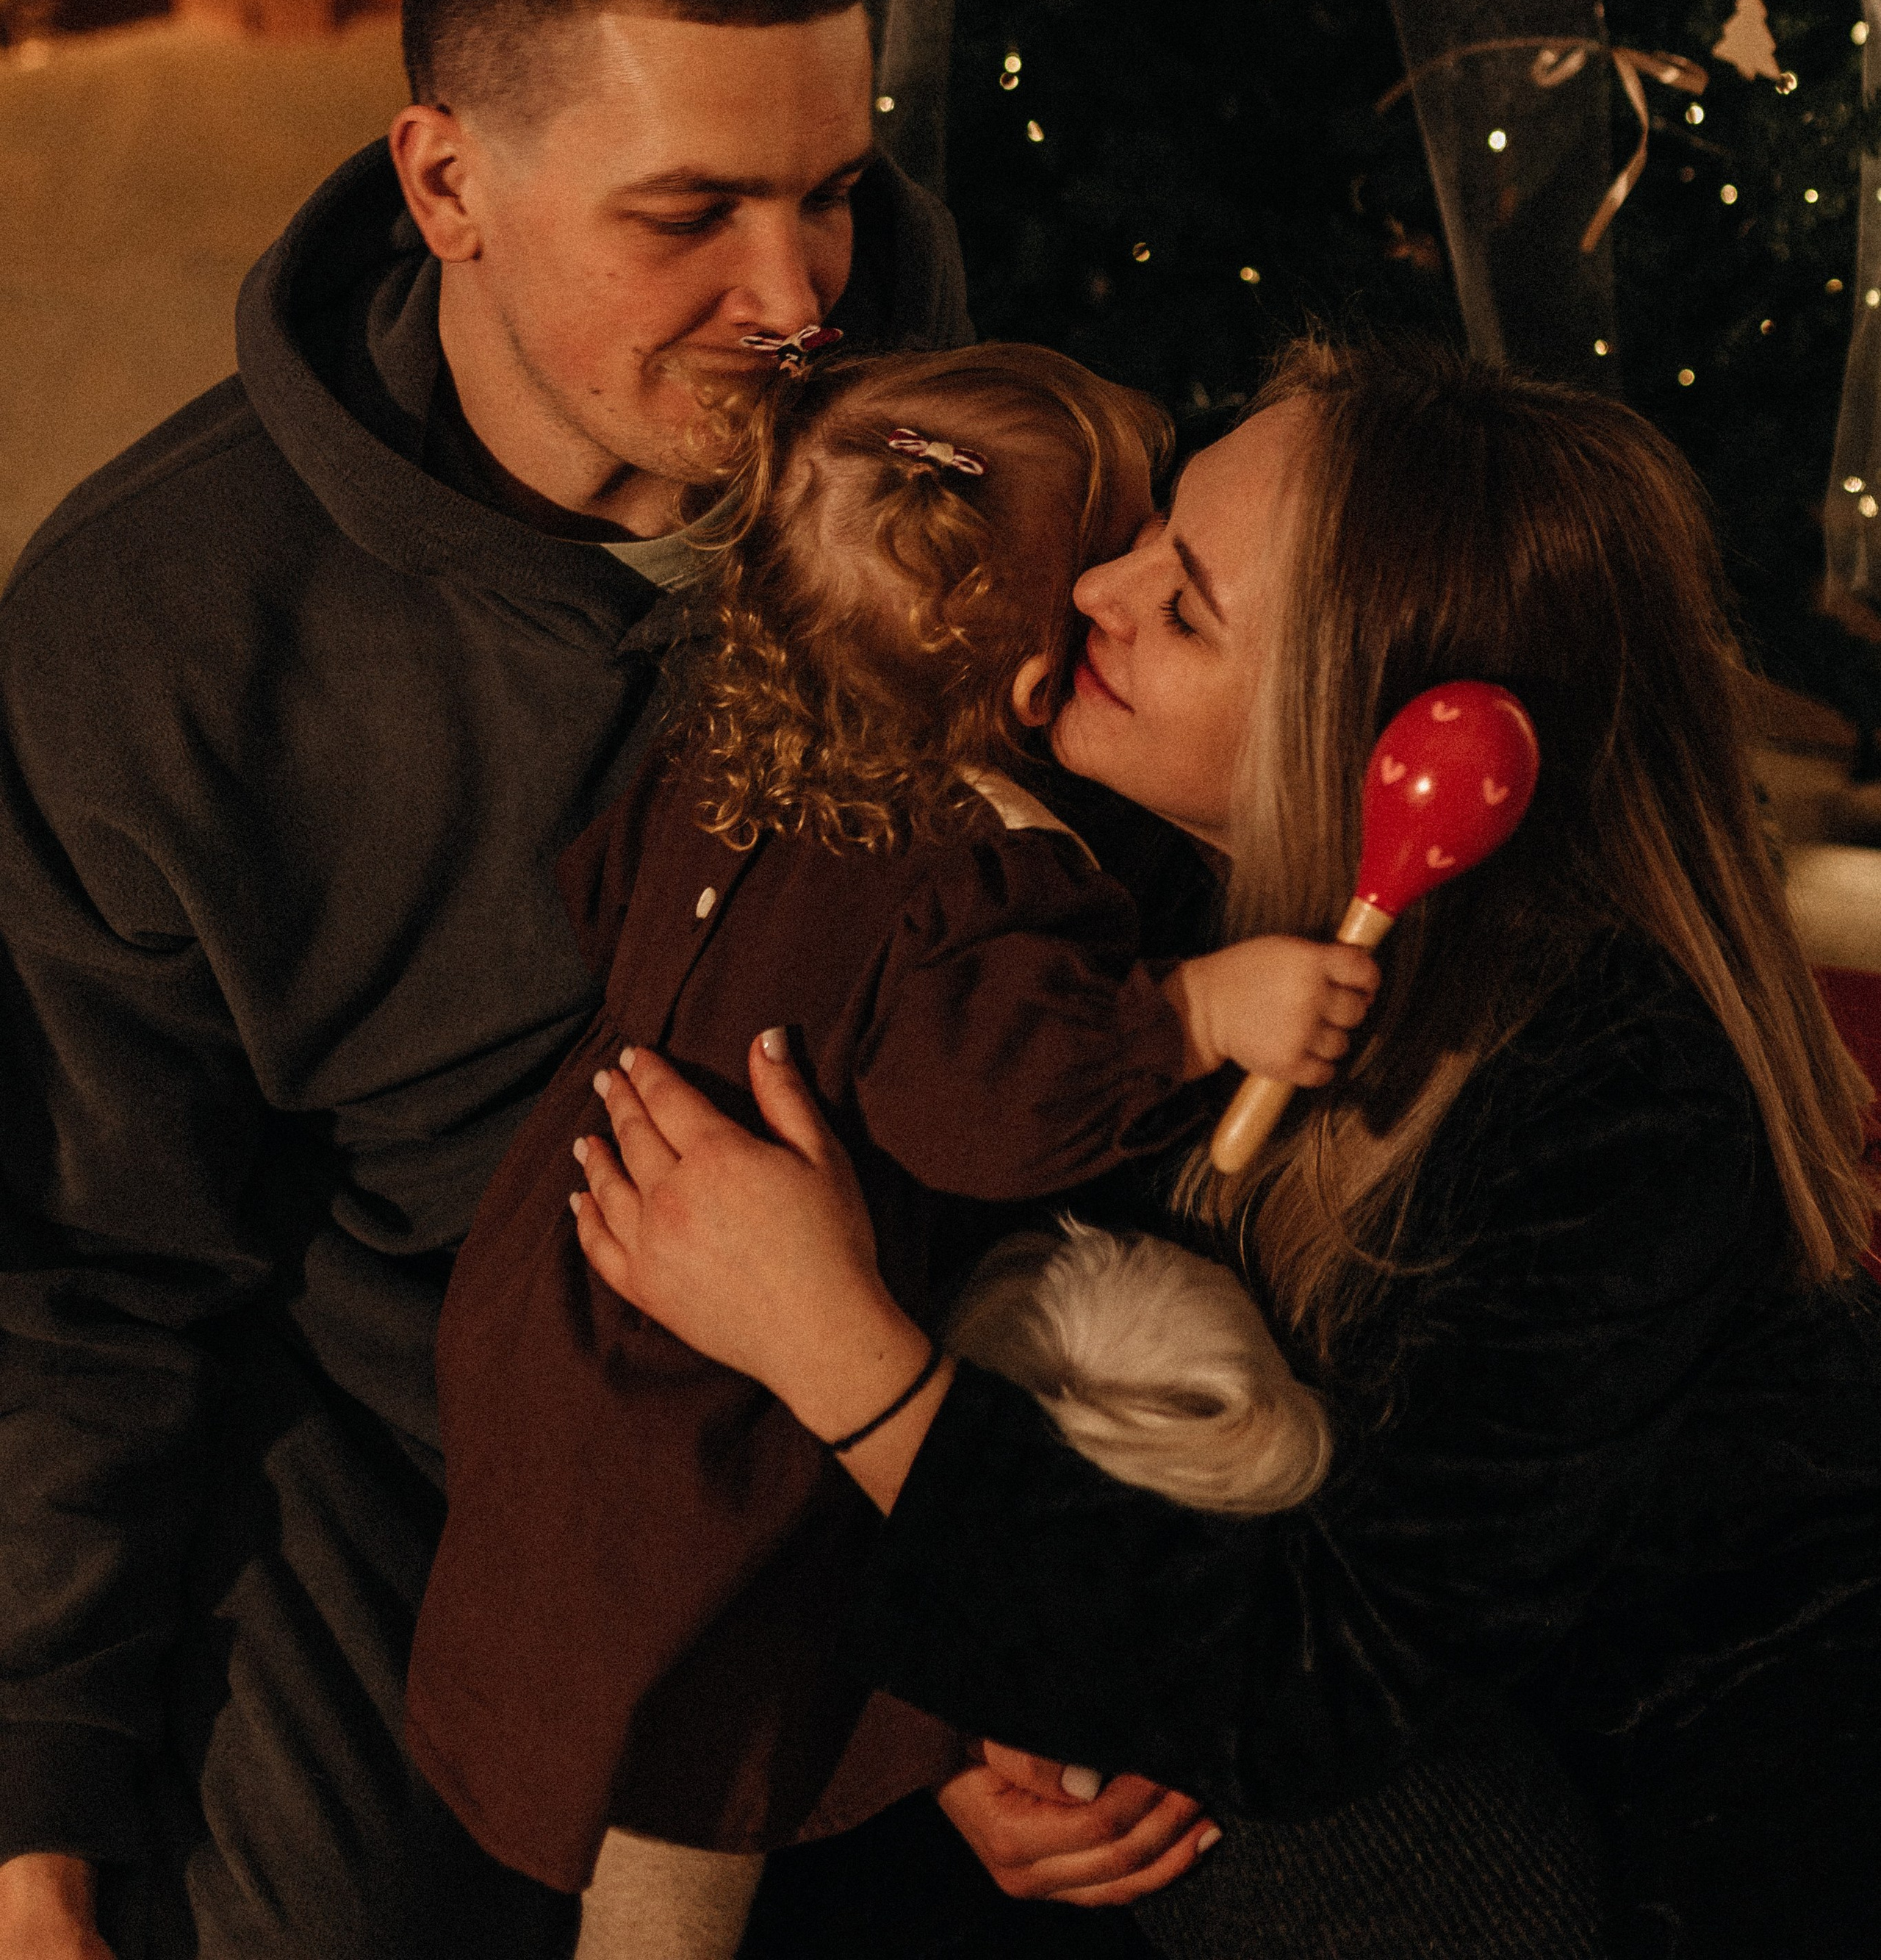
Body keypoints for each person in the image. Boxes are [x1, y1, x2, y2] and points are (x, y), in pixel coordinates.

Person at [566, 334, 1881, 1959]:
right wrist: (969, 1724)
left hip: (1627, 1849)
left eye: (1181, 606)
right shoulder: (1114, 894)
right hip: (1243, 1710)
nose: (1093, 590)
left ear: (1383, 741)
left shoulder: (1620, 1099)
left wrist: (836, 1352)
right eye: (1148, 536)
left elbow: (1327, 1688)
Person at [0, 0, 974, 1960]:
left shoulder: (968, 471)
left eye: (829, 192)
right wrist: (31, 1826)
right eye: (690, 214)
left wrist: (1042, 1579)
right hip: (399, 1425)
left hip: (901, 1372)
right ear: (445, 179)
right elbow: (90, 1272)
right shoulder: (149, 630)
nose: (798, 293)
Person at [407, 343, 1373, 1960]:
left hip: (549, 1307)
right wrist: (1195, 1011)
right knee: (699, 1764)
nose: (1128, 588)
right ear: (1017, 685)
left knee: (541, 1657)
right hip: (715, 1421)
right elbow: (990, 1112)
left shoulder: (727, 746)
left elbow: (597, 894)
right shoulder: (981, 872)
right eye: (1113, 563)